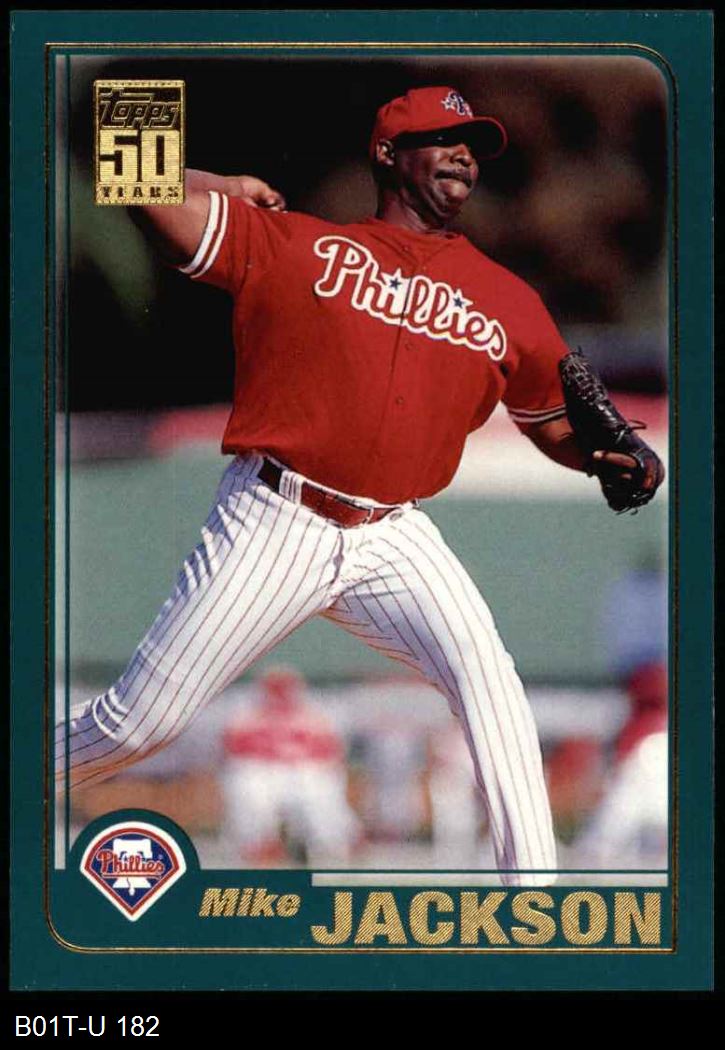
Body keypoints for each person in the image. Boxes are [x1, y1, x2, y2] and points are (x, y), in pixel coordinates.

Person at [57, 85, 661, 887]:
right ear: (386, 154)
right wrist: (214, 179)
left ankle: (535, 909)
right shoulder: (296, 246)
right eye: (441, 138)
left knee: (492, 691)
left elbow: (549, 422)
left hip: (394, 536)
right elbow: (134, 182)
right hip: (277, 516)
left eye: (472, 145)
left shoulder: (508, 301)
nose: (462, 155)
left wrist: (602, 459)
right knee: (139, 724)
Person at [221, 668, 359, 866]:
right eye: (275, 688)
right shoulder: (245, 716)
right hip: (263, 771)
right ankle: (258, 843)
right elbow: (233, 750)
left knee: (320, 788)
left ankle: (332, 842)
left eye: (284, 688)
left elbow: (332, 752)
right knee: (249, 784)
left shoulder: (315, 716)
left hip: (304, 771)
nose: (280, 693)